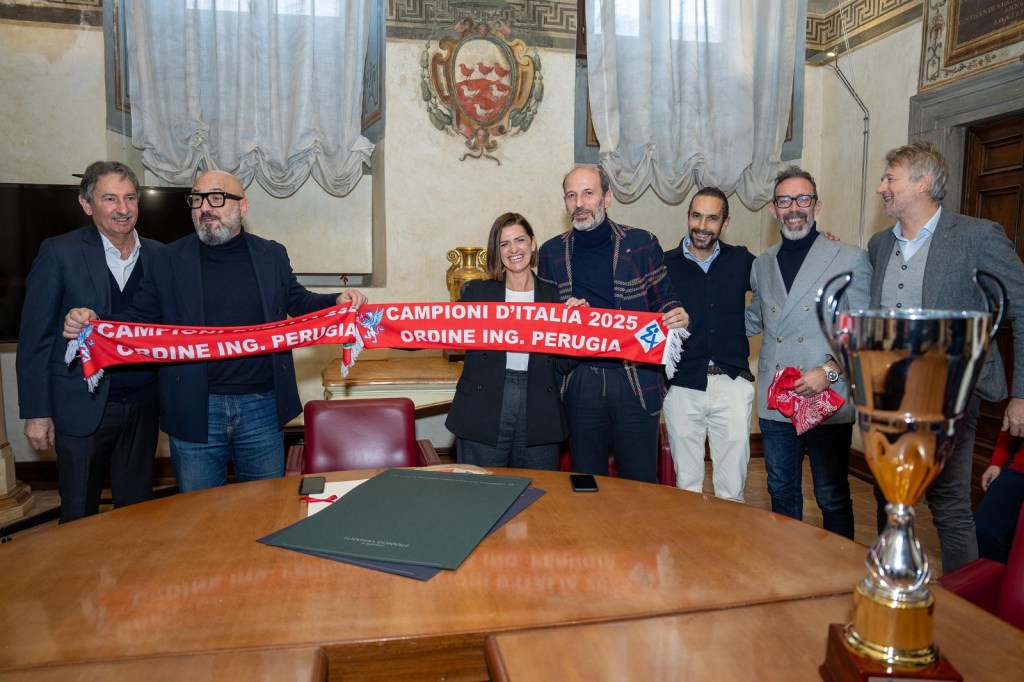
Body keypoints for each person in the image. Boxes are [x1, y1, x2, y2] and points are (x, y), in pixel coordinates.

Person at [64, 170, 366, 493]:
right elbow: (139, 319)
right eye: (197, 199)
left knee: (263, 507)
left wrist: (337, 301)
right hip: (195, 406)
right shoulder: (167, 259)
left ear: (243, 207)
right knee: (199, 516)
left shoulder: (271, 254)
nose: (205, 207)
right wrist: (96, 323)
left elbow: (298, 300)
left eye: (217, 198)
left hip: (261, 406)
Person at [868, 140, 1024, 573]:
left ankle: (964, 612)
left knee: (951, 505)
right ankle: (893, 582)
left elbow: (1022, 303)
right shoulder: (879, 244)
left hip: (953, 392)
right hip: (889, 392)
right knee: (889, 496)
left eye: (889, 178)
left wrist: (1023, 393)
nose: (881, 187)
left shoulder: (977, 237)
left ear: (923, 182)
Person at [16, 161, 162, 523]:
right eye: (110, 198)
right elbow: (35, 338)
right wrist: (37, 412)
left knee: (137, 516)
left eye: (130, 198)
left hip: (144, 406)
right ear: (86, 204)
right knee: (79, 516)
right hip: (81, 406)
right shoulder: (58, 252)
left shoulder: (163, 256)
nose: (123, 208)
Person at [537, 165, 689, 483]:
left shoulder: (642, 243)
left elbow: (665, 299)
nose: (579, 203)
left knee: (640, 483)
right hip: (579, 381)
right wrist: (564, 316)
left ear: (607, 198)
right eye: (571, 195)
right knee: (586, 482)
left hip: (633, 379)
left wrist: (677, 314)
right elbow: (545, 323)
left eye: (588, 193)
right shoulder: (551, 252)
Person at [746, 166, 870, 538]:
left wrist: (829, 371)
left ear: (817, 205)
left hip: (826, 396)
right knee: (781, 490)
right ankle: (791, 566)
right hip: (776, 396)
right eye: (785, 200)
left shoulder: (850, 258)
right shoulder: (762, 263)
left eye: (803, 199)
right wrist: (697, 324)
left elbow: (863, 330)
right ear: (773, 209)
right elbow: (755, 320)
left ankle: (837, 571)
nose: (794, 208)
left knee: (831, 495)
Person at [445, 213, 579, 469]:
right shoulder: (477, 293)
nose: (514, 249)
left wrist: (577, 329)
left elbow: (563, 365)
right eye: (504, 244)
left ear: (533, 243)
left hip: (538, 409)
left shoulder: (554, 297)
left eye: (519, 240)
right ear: (497, 251)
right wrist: (382, 324)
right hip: (483, 408)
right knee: (480, 494)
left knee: (536, 495)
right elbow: (434, 328)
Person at [663, 187, 756, 502]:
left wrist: (818, 245)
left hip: (731, 382)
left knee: (732, 488)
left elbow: (780, 275)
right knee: (686, 486)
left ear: (725, 223)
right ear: (688, 217)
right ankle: (693, 550)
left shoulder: (742, 260)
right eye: (696, 216)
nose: (702, 225)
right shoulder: (664, 265)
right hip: (681, 385)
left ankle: (728, 550)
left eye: (712, 218)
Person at [975, 431, 1024, 563]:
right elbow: (1014, 418)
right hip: (1020, 471)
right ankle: (991, 580)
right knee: (984, 528)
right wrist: (996, 463)